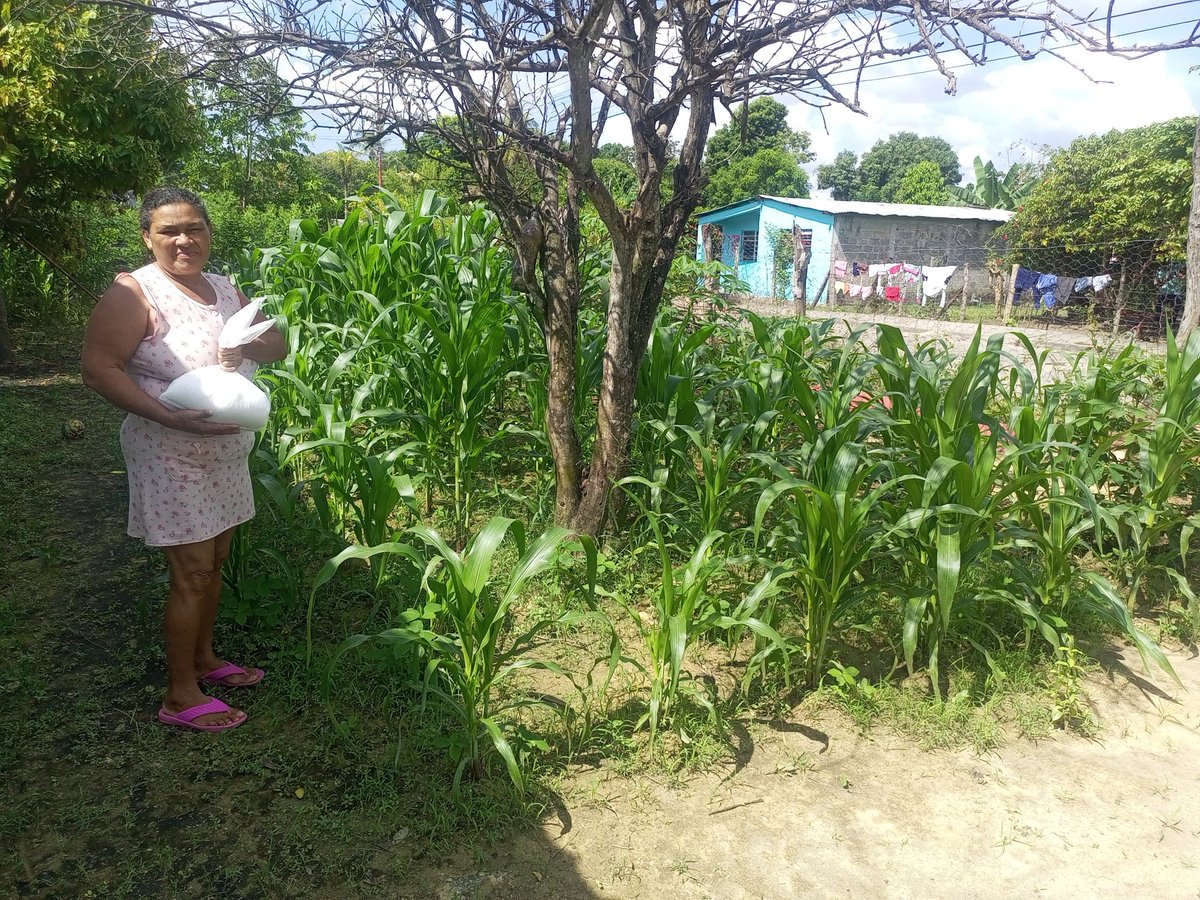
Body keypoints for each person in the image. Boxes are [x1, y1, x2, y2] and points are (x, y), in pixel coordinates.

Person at [82, 186, 286, 732]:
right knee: (192, 571)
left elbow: (277, 347)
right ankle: (179, 694)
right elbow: (100, 369)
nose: (183, 240)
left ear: (209, 234)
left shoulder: (224, 288)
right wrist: (169, 416)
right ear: (147, 237)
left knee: (214, 562)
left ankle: (206, 660)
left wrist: (248, 345)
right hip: (170, 451)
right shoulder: (134, 292)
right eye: (169, 230)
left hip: (223, 452)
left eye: (194, 228)